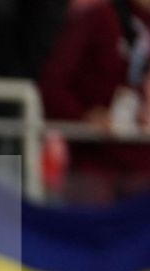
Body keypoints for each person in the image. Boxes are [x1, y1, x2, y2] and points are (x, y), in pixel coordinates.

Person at [40, 0, 150, 203]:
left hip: (143, 175)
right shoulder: (99, 18)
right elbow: (52, 86)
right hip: (96, 170)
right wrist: (82, 118)